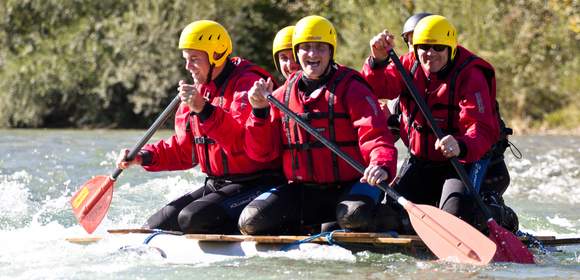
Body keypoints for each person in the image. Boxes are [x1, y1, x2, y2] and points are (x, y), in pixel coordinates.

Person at [115, 20, 284, 234]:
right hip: (218, 183)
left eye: (194, 59)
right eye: (186, 59)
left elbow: (241, 143)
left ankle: (251, 225)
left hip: (256, 182)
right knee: (154, 226)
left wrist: (204, 109)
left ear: (216, 55)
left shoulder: (248, 86)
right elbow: (185, 151)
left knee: (191, 219)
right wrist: (144, 156)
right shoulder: (197, 92)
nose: (188, 67)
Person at [238, 15, 398, 235]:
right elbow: (261, 153)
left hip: (353, 183)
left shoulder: (352, 88)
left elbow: (377, 136)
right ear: (297, 52)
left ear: (330, 51)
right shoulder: (280, 96)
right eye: (306, 48)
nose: (312, 54)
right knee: (251, 221)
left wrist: (380, 164)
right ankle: (318, 225)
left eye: (320, 48)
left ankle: (390, 218)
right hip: (304, 189)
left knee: (352, 217)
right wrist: (258, 111)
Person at [361, 15, 518, 233]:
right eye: (424, 47)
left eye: (438, 48)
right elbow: (375, 89)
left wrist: (461, 144)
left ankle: (502, 216)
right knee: (394, 215)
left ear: (451, 49)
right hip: (423, 161)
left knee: (456, 219)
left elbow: (481, 129)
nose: (430, 53)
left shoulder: (471, 75)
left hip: (464, 160)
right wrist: (376, 61)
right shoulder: (407, 64)